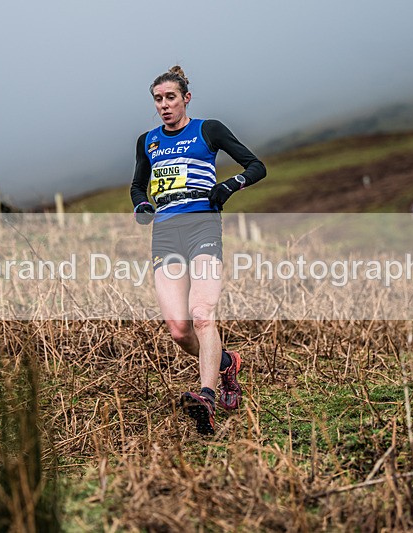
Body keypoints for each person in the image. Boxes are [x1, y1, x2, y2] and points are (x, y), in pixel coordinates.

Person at [130, 66, 267, 435]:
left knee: (203, 314)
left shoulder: (209, 130)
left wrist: (229, 186)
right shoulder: (147, 141)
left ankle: (206, 396)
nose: (164, 105)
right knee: (179, 330)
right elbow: (137, 186)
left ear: (186, 98)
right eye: (158, 99)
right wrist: (141, 206)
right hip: (165, 235)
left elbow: (256, 167)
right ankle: (227, 363)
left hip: (203, 227)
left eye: (170, 97)